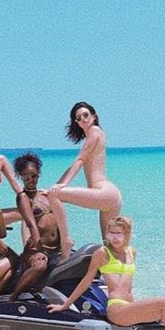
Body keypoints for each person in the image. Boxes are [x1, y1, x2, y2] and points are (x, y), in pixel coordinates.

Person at [47, 102, 122, 257]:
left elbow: (80, 160)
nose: (83, 119)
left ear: (94, 116)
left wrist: (60, 187)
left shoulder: (94, 131)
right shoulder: (96, 134)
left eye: (86, 115)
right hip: (110, 197)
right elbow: (75, 164)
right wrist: (58, 184)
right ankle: (121, 270)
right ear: (77, 123)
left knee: (54, 195)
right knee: (111, 248)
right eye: (79, 118)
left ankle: (66, 241)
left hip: (104, 192)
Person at [7, 152, 63, 301]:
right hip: (37, 248)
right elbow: (31, 224)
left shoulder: (45, 195)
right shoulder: (23, 197)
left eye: (34, 175)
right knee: (40, 267)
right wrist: (39, 251)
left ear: (38, 174)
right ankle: (14, 297)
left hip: (56, 248)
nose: (30, 179)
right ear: (21, 176)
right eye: (26, 176)